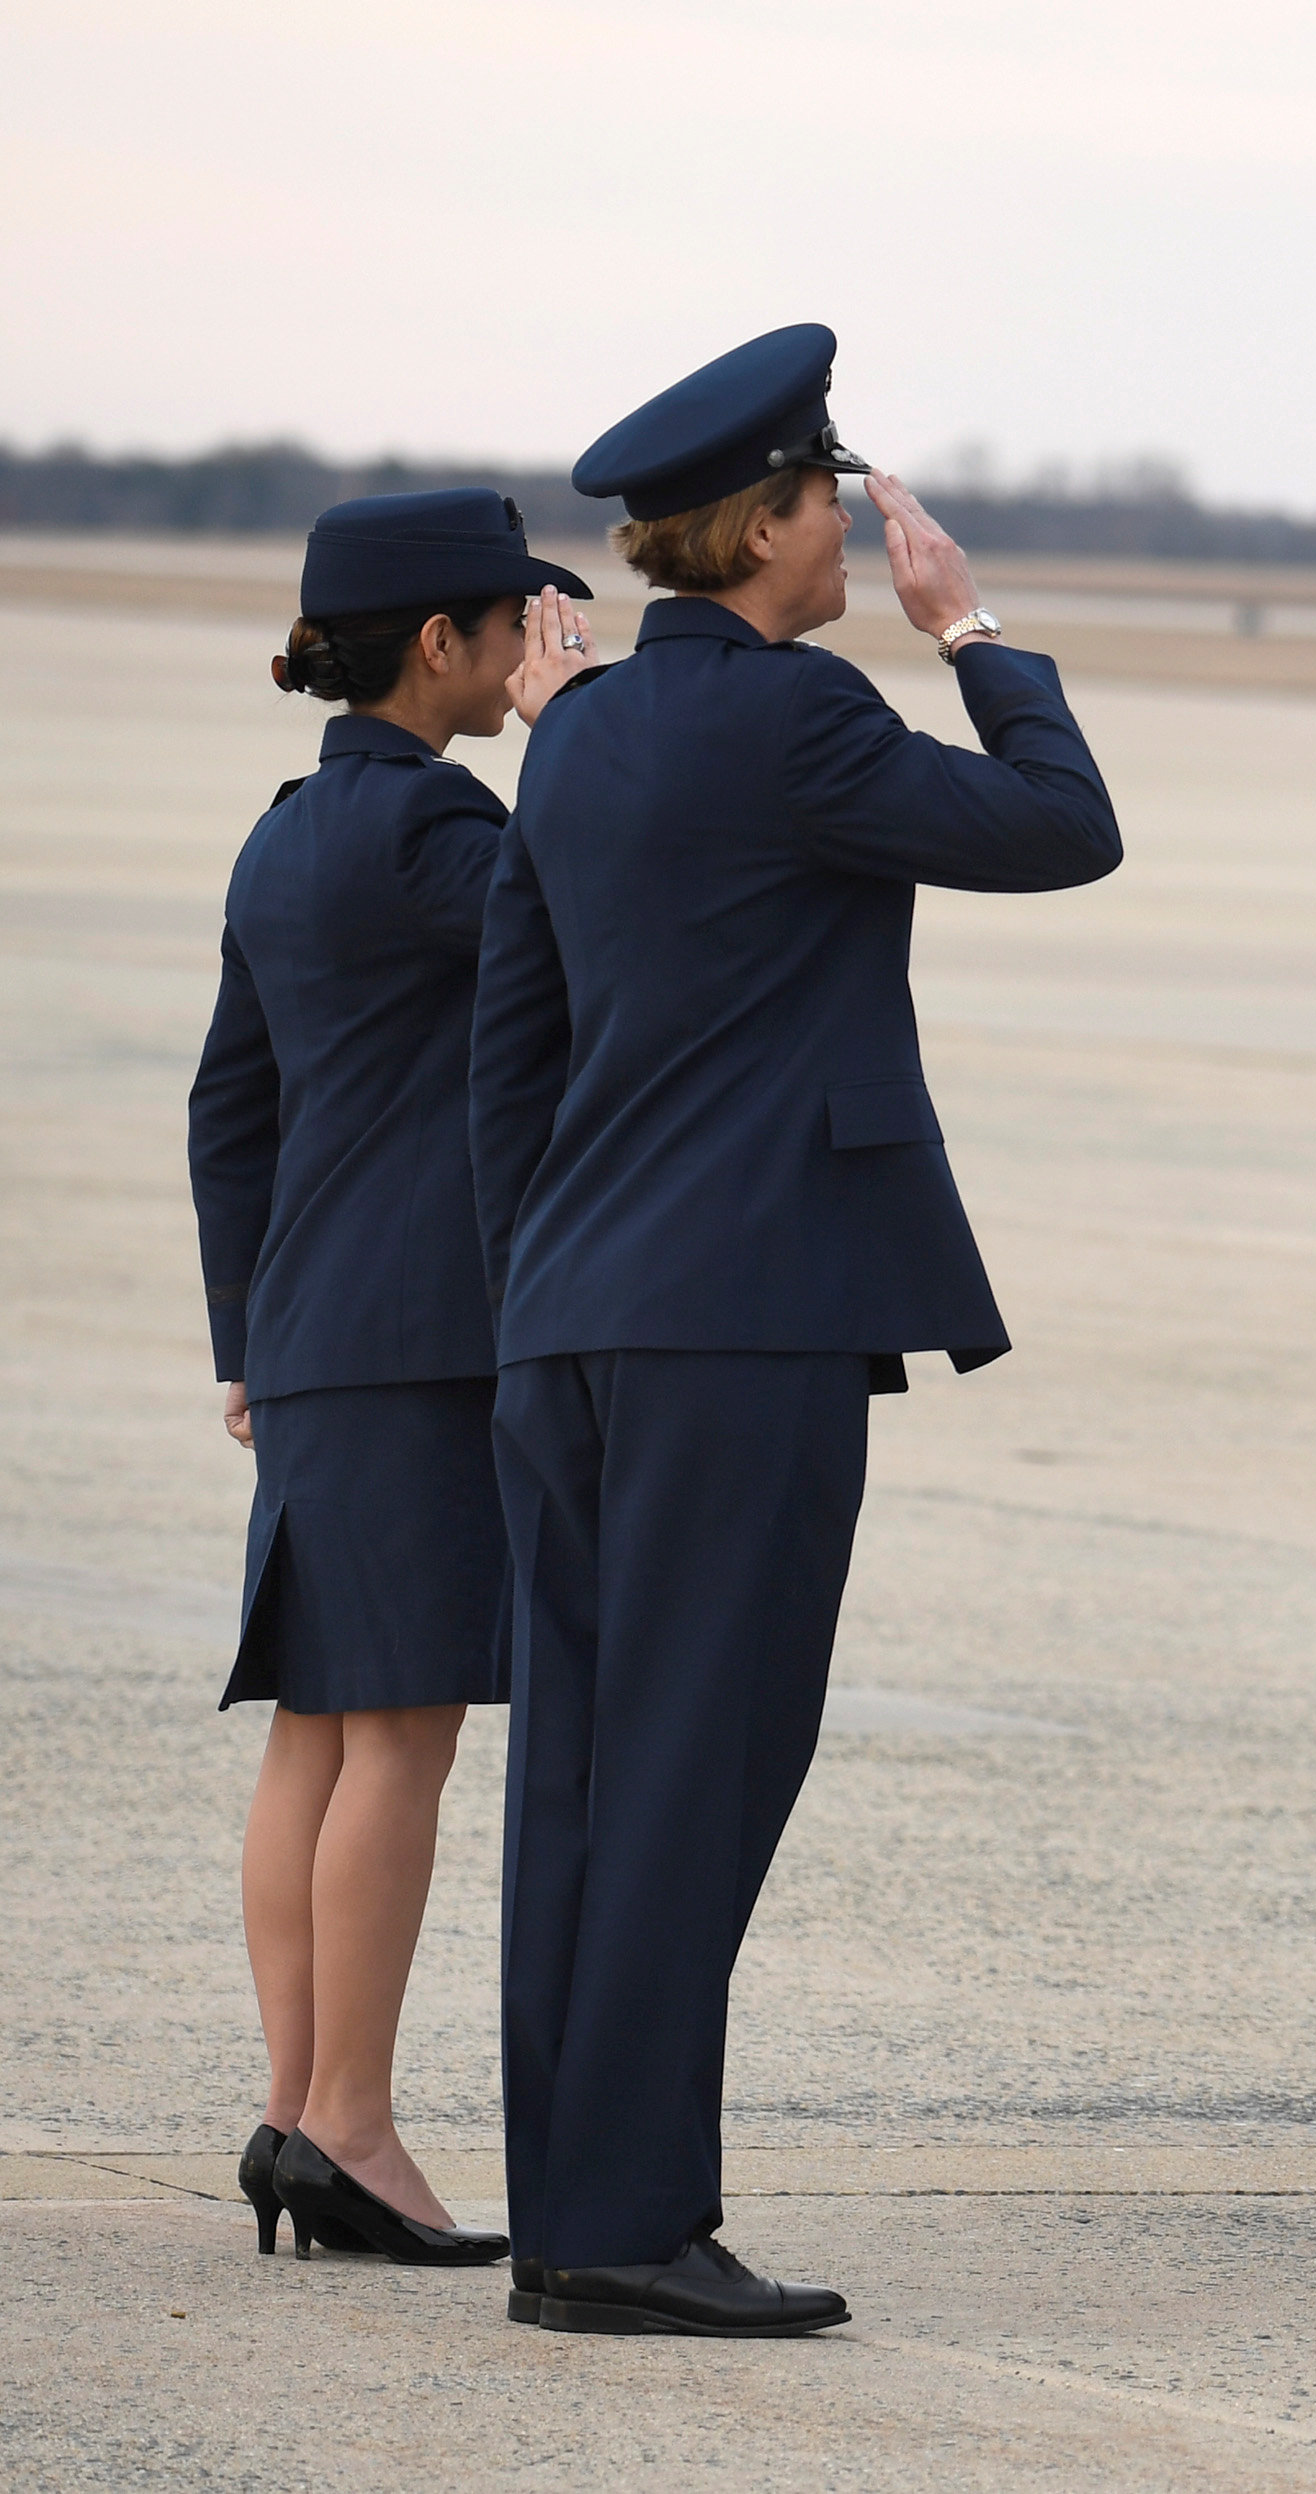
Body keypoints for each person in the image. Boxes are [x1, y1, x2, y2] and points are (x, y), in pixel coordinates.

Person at [474, 326, 1123, 2338]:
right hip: (735, 1330)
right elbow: (1059, 825)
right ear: (762, 522)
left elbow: (515, 1047)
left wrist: (544, 1283)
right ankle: (628, 2226)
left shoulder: (574, 731)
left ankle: (576, 2203)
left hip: (577, 1318)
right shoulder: (797, 717)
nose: (857, 525)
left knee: (584, 1774)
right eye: (831, 499)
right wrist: (979, 629)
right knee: (699, 1762)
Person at [190, 490, 597, 2270]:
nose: (528, 655)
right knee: (403, 1736)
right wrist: (577, 739)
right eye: (515, 628)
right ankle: (347, 2117)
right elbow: (595, 921)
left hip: (312, 1340)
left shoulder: (285, 834)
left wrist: (247, 1341)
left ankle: (301, 2109)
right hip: (427, 1341)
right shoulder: (444, 837)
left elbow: (230, 1114)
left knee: (319, 1727)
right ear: (444, 646)